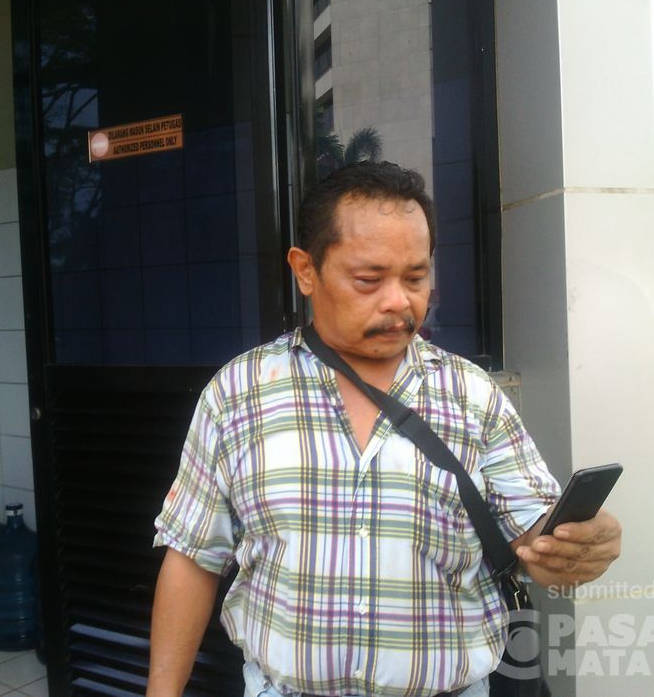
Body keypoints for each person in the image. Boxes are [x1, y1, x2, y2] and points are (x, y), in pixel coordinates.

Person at [147, 161, 621, 697]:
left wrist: (576, 547)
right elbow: (193, 556)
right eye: (369, 280)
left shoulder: (472, 395)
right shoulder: (239, 393)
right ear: (306, 270)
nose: (399, 300)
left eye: (416, 277)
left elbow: (534, 537)